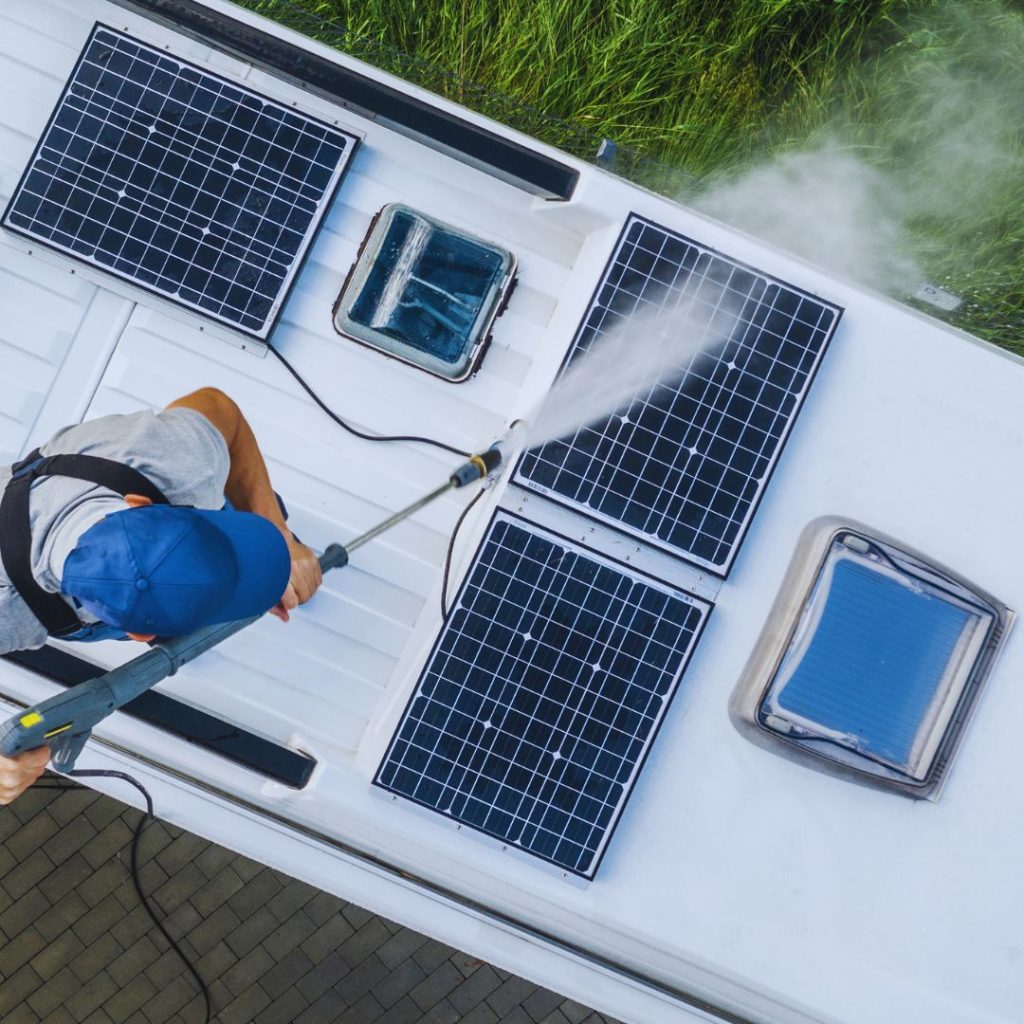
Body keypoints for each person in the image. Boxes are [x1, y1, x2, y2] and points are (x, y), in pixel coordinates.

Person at [0, 387, 323, 804]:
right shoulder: (8, 613)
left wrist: (279, 535)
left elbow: (220, 410)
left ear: (139, 503)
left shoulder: (167, 461)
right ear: (135, 636)